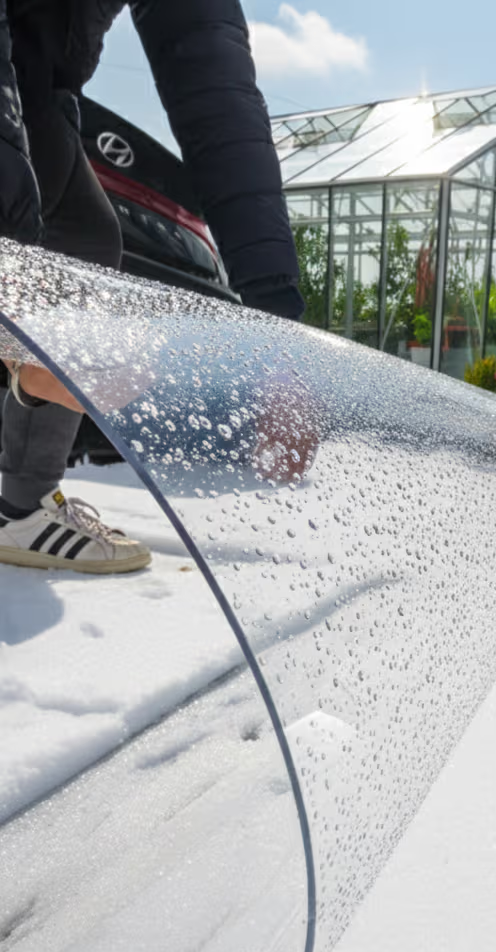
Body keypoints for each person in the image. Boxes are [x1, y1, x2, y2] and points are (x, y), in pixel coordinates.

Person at [0, 0, 304, 574]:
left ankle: (18, 507)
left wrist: (274, 332)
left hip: (39, 75)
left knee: (84, 241)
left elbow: (218, 99)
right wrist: (16, 300)